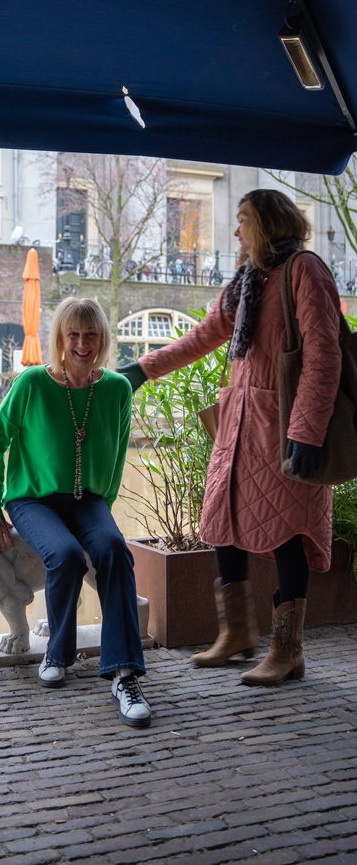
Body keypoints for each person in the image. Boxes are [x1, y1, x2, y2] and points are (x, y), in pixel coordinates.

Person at [120, 189, 342, 686]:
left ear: (268, 222)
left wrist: (306, 432)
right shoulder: (246, 279)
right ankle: (237, 634)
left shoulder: (306, 271)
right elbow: (204, 336)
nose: (236, 232)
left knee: (287, 534)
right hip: (237, 427)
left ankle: (288, 651)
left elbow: (325, 356)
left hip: (284, 429)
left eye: (243, 221)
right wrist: (142, 368)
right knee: (221, 524)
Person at [0, 297, 150, 727]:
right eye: (73, 334)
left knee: (113, 549)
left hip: (89, 500)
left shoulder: (116, 389)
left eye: (90, 334)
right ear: (59, 338)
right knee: (67, 555)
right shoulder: (33, 383)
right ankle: (58, 651)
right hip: (32, 499)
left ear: (102, 339)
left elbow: (116, 455)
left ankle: (124, 674)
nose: (81, 343)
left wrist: (101, 510)